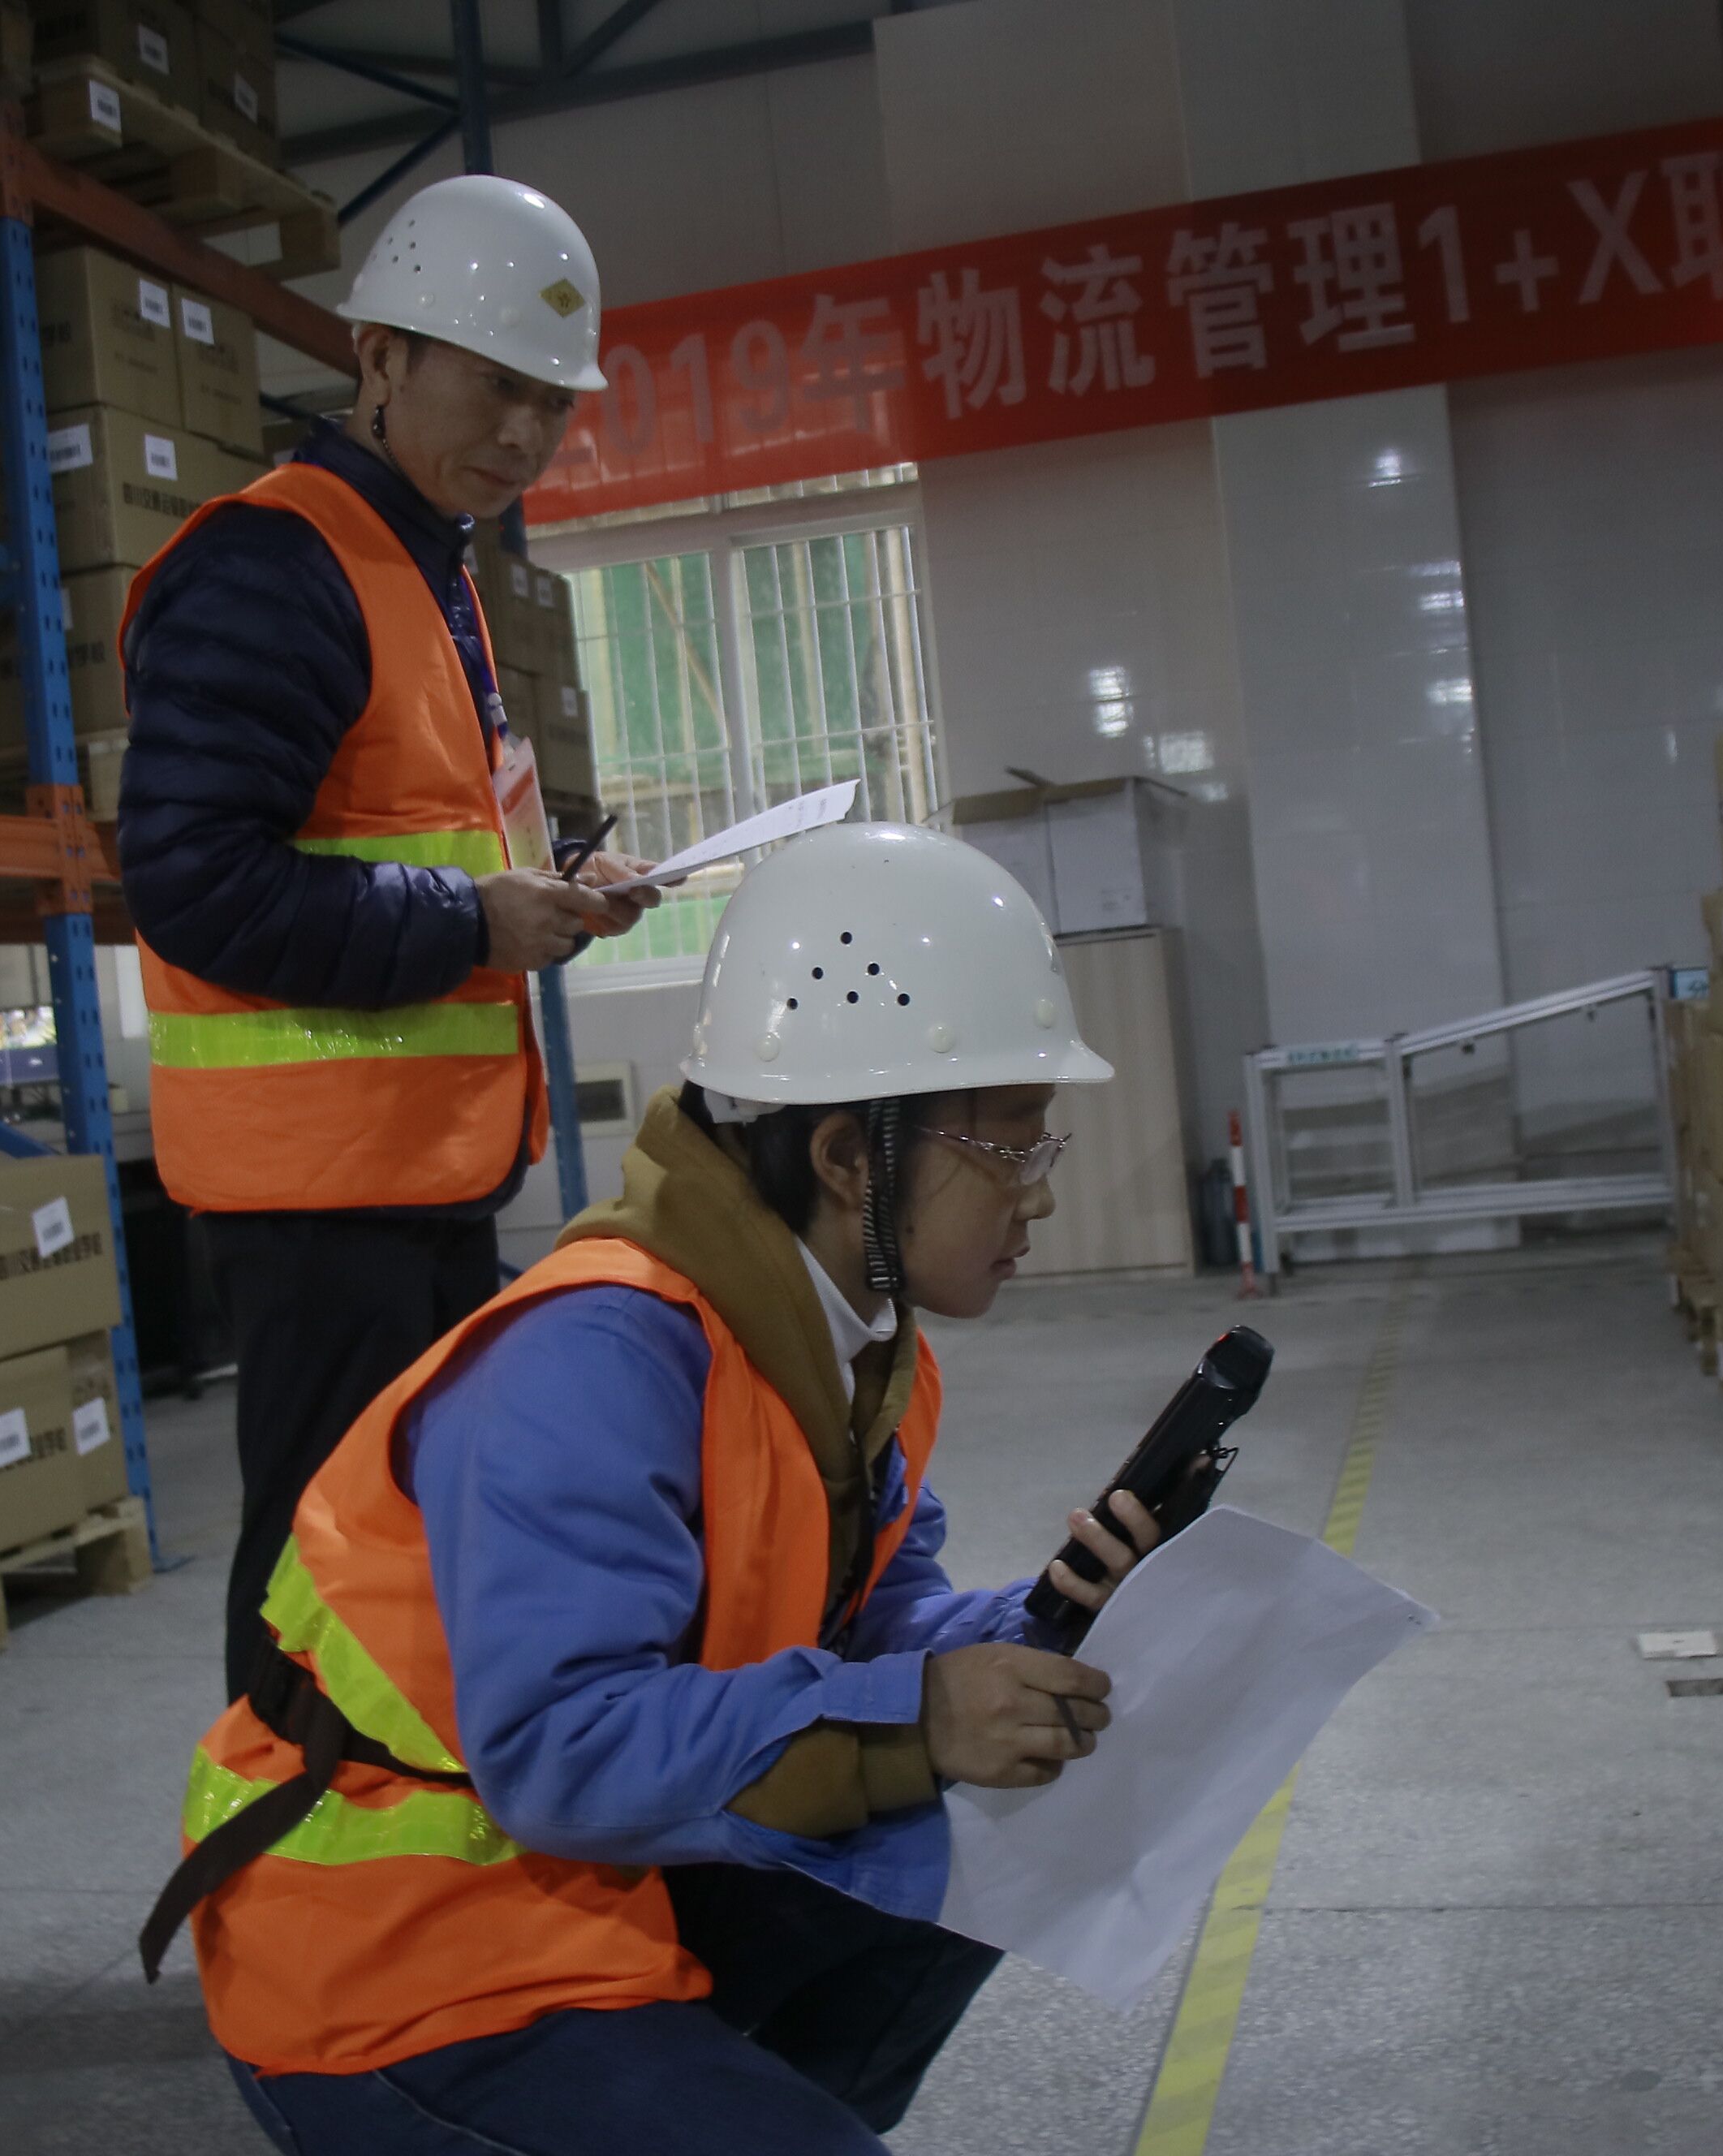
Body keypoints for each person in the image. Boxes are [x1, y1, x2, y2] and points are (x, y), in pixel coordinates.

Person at [138, 821, 1174, 2154]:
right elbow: (562, 1751)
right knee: (929, 1785)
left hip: (596, 1877)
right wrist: (920, 1718)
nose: (1037, 1199)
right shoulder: (595, 1359)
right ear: (848, 1156)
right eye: (1010, 1150)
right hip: (402, 1949)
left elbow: (867, 1625)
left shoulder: (856, 1346)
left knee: (1013, 1804)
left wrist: (1044, 1626)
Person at [114, 174, 660, 1698]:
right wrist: (472, 920)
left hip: (415, 1178)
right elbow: (196, 881)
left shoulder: (419, 562)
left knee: (411, 1564)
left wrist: (551, 882)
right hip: (318, 1201)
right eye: (495, 386)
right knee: (325, 1580)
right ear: (380, 358)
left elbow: (403, 835)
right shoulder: (273, 565)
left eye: (552, 403)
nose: (525, 434)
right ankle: (287, 1836)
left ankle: (391, 1838)